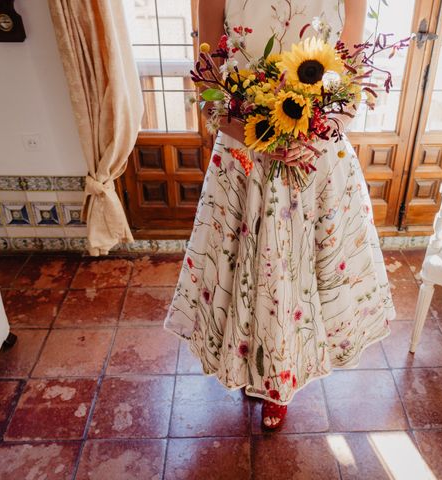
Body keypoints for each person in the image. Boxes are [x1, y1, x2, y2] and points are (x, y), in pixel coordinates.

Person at [164, 0, 395, 429]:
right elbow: (208, 81)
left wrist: (312, 133)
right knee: (244, 268)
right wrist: (261, 138)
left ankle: (279, 381)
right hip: (245, 157)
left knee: (295, 274)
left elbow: (353, 81)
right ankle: (248, 362)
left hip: (316, 159)